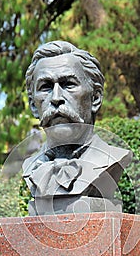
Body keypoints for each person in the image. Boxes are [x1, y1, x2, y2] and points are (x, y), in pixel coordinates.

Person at [22, 40, 132, 215]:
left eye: (68, 84)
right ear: (34, 106)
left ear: (95, 98)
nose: (56, 98)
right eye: (46, 87)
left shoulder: (111, 159)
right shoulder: (31, 166)